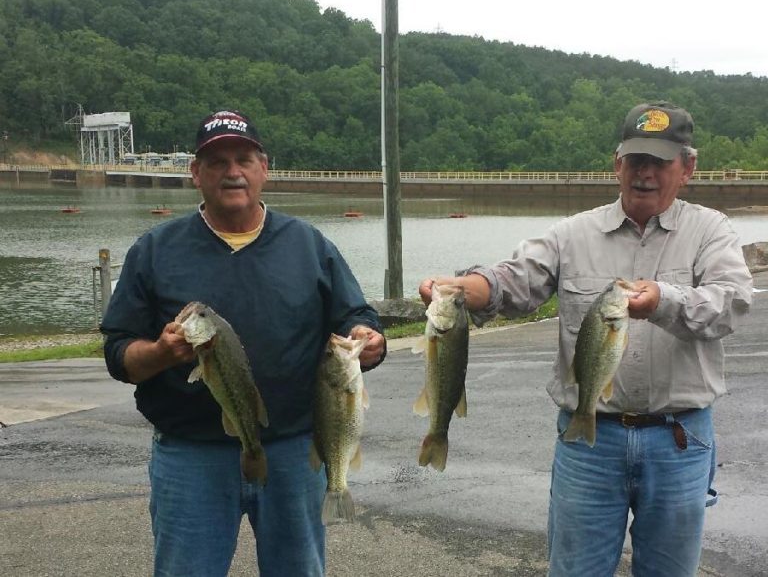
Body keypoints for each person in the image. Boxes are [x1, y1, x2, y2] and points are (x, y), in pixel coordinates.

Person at [418, 101, 752, 577]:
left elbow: (732, 302)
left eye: (660, 162)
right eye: (636, 161)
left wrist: (663, 300)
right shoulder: (572, 234)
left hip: (680, 440)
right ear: (617, 164)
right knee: (575, 570)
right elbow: (514, 281)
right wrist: (462, 290)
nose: (646, 174)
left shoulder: (710, 231)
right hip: (588, 443)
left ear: (688, 167)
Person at [101, 109, 386, 577]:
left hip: (295, 452)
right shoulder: (154, 250)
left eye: (243, 159)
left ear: (264, 168)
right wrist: (156, 354)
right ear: (195, 173)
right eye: (217, 162)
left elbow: (356, 317)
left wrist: (368, 339)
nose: (232, 172)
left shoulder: (309, 245)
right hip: (190, 455)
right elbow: (118, 354)